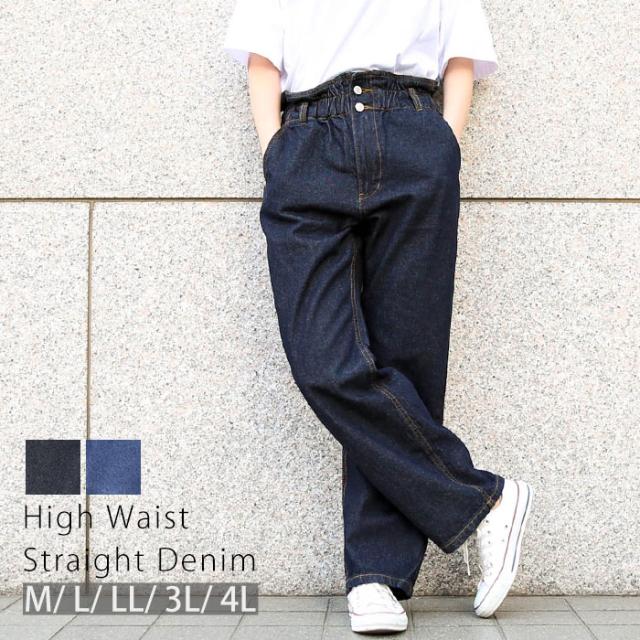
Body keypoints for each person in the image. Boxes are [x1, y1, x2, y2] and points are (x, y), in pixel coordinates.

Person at [223, 0, 533, 633]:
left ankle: (376, 576)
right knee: (323, 361)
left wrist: (443, 146)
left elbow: (460, 54)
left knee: (406, 357)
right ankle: (481, 500)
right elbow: (262, 58)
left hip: (412, 133)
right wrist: (275, 153)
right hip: (307, 140)